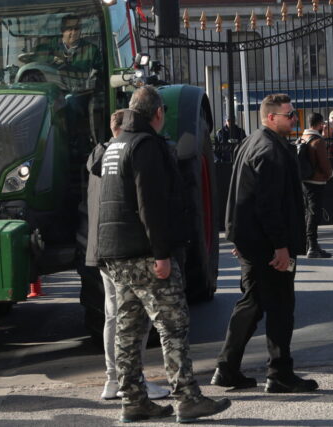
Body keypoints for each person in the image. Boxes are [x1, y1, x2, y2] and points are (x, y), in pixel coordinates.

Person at [96, 85, 230, 423]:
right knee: (174, 325)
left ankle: (134, 401)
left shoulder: (114, 145)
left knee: (129, 329)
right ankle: (187, 398)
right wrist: (162, 253)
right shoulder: (147, 146)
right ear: (158, 113)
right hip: (145, 252)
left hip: (116, 253)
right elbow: (150, 204)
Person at [212, 93, 318, 394]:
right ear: (271, 117)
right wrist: (281, 247)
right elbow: (268, 205)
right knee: (280, 306)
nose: (293, 119)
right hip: (267, 244)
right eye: (289, 115)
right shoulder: (270, 151)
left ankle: (227, 368)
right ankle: (279, 373)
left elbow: (241, 195)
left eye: (294, 114)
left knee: (254, 302)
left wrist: (240, 234)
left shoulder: (252, 142)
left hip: (253, 240)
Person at [84, 108, 169, 403]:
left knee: (113, 314)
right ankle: (132, 379)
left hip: (101, 247)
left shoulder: (99, 158)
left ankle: (113, 379)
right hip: (123, 249)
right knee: (135, 318)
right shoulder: (125, 156)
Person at [299, 112, 333, 258]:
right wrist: (330, 174)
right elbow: (325, 164)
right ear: (319, 124)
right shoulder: (318, 141)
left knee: (308, 212)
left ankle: (309, 244)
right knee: (315, 213)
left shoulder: (302, 138)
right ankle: (312, 246)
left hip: (304, 180)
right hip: (316, 181)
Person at [35, 13, 100, 73]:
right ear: (62, 30)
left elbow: (102, 72)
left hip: (81, 85)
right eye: (69, 29)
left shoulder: (91, 50)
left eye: (76, 28)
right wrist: (52, 60)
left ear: (80, 30)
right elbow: (35, 63)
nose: (74, 32)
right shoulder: (47, 46)